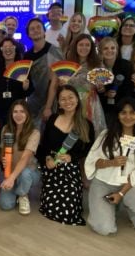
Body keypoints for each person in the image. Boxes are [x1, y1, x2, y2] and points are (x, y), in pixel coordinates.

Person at [84, 97, 135, 235]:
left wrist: (121, 193)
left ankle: (127, 205)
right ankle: (105, 210)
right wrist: (111, 162)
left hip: (129, 185)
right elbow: (93, 161)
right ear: (118, 115)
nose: (128, 117)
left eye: (132, 113)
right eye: (123, 113)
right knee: (105, 229)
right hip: (104, 182)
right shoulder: (106, 135)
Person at [36, 85, 94, 225]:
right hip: (51, 167)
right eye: (63, 99)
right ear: (59, 103)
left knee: (69, 211)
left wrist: (71, 157)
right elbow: (43, 145)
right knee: (51, 208)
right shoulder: (52, 119)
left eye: (70, 97)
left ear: (77, 99)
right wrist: (47, 158)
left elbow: (88, 150)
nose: (67, 101)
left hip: (70, 168)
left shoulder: (86, 124)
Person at [0, 100, 40, 215]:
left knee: (25, 173)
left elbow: (25, 158)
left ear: (28, 114)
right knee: (5, 205)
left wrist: (11, 178)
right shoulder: (6, 129)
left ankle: (22, 194)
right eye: (15, 112)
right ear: (11, 114)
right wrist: (3, 159)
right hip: (10, 172)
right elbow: (2, 151)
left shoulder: (34, 132)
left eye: (22, 111)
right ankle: (18, 189)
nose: (18, 115)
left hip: (28, 172)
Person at [0, 37, 33, 127]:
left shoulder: (22, 68)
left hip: (16, 112)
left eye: (11, 47)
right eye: (4, 47)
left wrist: (26, 88)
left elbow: (29, 91)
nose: (8, 49)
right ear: (1, 50)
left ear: (15, 49)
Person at [23, 18, 62, 128]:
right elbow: (28, 82)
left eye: (38, 27)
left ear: (44, 31)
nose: (35, 30)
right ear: (29, 34)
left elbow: (55, 81)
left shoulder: (54, 51)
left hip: (52, 102)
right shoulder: (27, 56)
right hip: (33, 103)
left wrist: (48, 106)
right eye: (32, 29)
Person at [65, 33, 107, 135]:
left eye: (87, 45)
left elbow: (103, 90)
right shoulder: (67, 63)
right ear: (75, 46)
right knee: (72, 132)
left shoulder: (98, 64)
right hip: (71, 103)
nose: (84, 47)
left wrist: (101, 88)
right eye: (81, 44)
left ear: (91, 47)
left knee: (92, 132)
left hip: (91, 103)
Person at [96, 37, 135, 127]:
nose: (109, 51)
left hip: (123, 106)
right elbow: (97, 94)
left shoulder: (126, 65)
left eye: (112, 48)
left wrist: (117, 96)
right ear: (100, 51)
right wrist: (103, 92)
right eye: (105, 48)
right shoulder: (97, 69)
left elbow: (129, 90)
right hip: (104, 108)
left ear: (117, 50)